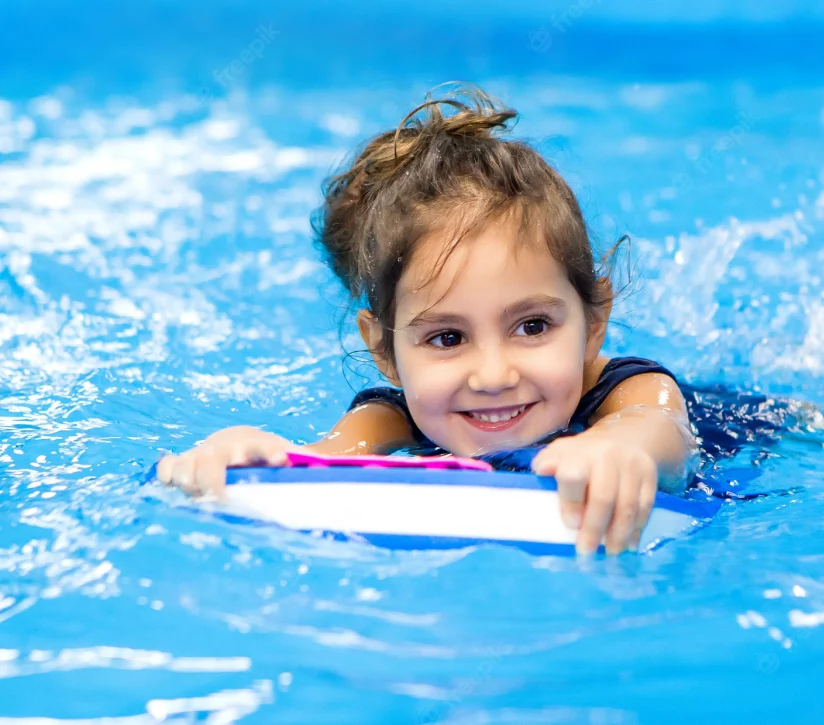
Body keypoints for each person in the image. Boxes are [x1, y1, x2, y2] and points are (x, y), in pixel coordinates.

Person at [156, 85, 696, 556]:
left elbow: (660, 430)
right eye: (447, 337)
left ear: (594, 321)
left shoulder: (630, 391)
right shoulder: (395, 419)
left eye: (532, 326)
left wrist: (618, 449)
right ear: (385, 350)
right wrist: (245, 456)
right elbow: (324, 460)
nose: (493, 375)